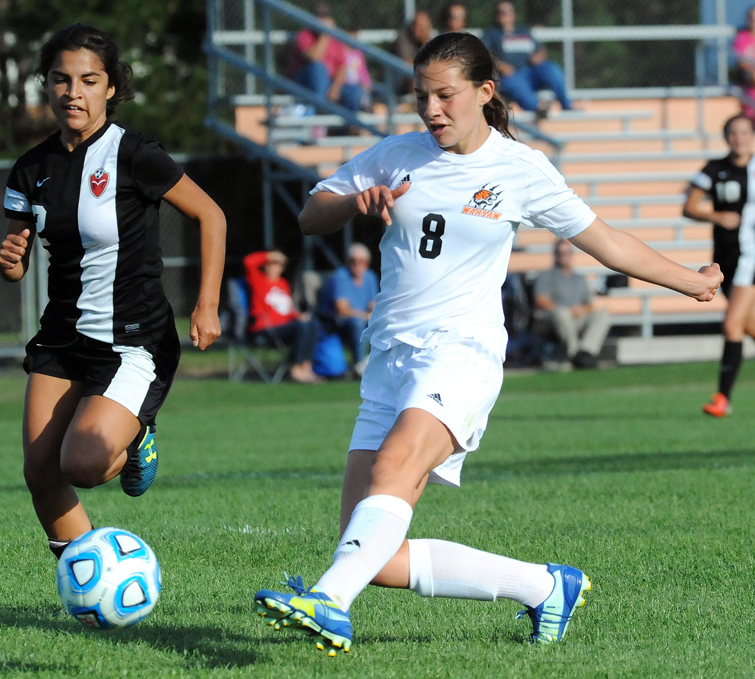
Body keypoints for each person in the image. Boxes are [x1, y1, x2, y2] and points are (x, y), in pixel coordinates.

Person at [252, 31, 722, 655]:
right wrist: (354, 203)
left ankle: (328, 602)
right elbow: (312, 216)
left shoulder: (519, 169)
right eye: (421, 97)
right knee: (377, 557)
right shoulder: (397, 155)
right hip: (390, 357)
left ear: (485, 91)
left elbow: (606, 242)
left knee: (391, 473)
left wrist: (692, 281)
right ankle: (545, 586)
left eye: (445, 95)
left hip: (462, 353)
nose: (432, 110)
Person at [0, 24, 226, 560]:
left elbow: (210, 215)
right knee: (40, 471)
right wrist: (9, 263)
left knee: (82, 464)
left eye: (88, 80)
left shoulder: (136, 153)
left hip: (132, 340)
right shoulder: (31, 169)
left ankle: (138, 434)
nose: (73, 92)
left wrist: (207, 302)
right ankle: (88, 577)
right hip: (62, 336)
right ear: (46, 85)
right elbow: (15, 260)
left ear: (111, 89)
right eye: (61, 79)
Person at [682, 113, 755, 418]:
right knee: (753, 324)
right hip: (726, 257)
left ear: (752, 136)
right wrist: (716, 216)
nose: (739, 138)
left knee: (732, 324)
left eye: (744, 132)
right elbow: (688, 206)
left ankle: (723, 398)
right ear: (727, 137)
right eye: (733, 133)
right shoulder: (715, 169)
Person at [243, 250, 324, 384]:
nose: (274, 267)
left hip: (286, 325)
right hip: (266, 327)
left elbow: (287, 310)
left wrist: (299, 315)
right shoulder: (258, 280)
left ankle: (306, 366)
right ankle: (296, 368)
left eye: (278, 264)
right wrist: (268, 255)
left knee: (312, 323)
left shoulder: (283, 284)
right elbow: (248, 262)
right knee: (301, 327)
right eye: (271, 263)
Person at [482, 1, 573, 115]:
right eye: (499, 12)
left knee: (551, 69)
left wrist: (539, 56)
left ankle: (567, 105)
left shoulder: (523, 31)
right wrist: (500, 66)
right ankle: (537, 108)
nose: (502, 15)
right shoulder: (491, 34)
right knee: (515, 83)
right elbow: (484, 56)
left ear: (513, 14)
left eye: (506, 12)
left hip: (530, 72)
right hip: (510, 75)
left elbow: (541, 50)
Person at [533, 239, 611, 368]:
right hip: (555, 319)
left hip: (577, 317)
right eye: (560, 253)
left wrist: (581, 310)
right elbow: (541, 300)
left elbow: (589, 304)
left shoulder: (579, 278)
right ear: (555, 254)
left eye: (566, 253)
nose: (563, 256)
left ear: (571, 255)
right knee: (562, 313)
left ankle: (586, 353)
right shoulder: (546, 276)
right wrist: (567, 310)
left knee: (604, 314)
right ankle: (574, 353)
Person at [287, 3, 363, 117]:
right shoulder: (305, 35)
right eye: (319, 16)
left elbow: (342, 66)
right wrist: (325, 34)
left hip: (329, 82)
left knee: (354, 91)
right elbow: (315, 57)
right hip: (305, 83)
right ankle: (320, 111)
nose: (322, 19)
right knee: (318, 68)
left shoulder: (336, 38)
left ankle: (349, 127)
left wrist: (336, 87)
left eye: (325, 16)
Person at [316, 243, 379, 377]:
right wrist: (366, 315)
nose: (357, 264)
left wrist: (375, 316)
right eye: (353, 260)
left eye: (361, 261)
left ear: (367, 263)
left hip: (362, 319)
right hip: (337, 322)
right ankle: (359, 364)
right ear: (347, 261)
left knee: (381, 322)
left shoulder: (370, 277)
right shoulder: (340, 276)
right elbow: (342, 310)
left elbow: (373, 304)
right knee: (358, 323)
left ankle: (379, 363)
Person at [392, 11, 434, 97]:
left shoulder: (429, 40)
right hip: (401, 82)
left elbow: (436, 61)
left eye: (423, 27)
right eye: (417, 25)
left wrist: (425, 42)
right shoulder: (402, 38)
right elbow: (407, 63)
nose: (419, 29)